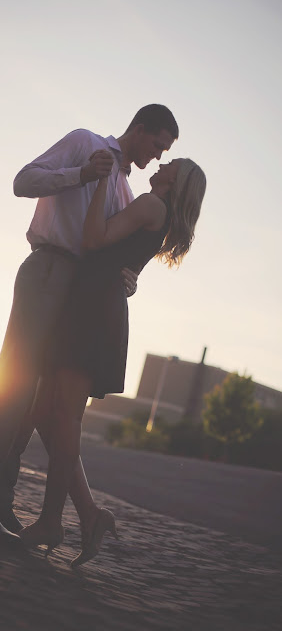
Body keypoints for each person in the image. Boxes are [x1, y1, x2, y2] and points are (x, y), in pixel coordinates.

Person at [0, 105, 179, 545]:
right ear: (140, 128)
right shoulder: (85, 142)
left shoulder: (130, 194)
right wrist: (81, 174)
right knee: (12, 389)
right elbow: (23, 182)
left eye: (165, 152)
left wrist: (127, 277)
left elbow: (109, 249)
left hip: (80, 298)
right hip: (49, 270)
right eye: (157, 144)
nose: (157, 155)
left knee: (34, 405)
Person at [18, 156, 207, 566]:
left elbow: (93, 240)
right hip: (93, 306)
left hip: (92, 310)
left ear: (177, 181)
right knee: (46, 414)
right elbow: (117, 258)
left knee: (64, 417)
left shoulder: (150, 204)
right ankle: (88, 514)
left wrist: (102, 180)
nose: (162, 164)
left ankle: (51, 520)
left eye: (170, 163)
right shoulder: (158, 212)